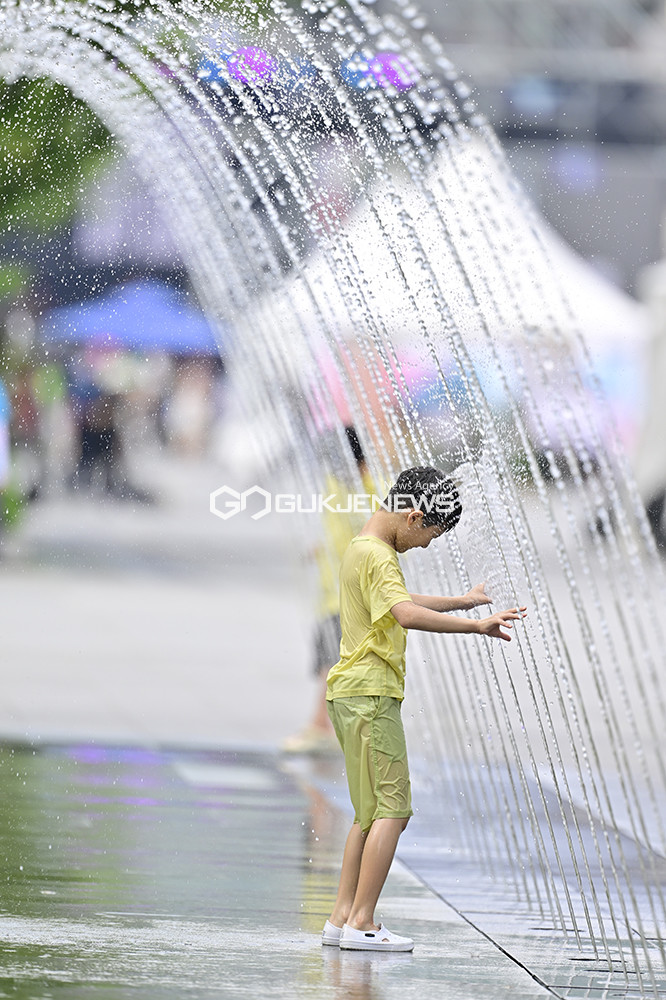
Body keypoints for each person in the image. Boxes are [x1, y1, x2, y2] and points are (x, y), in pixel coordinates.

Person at [322, 466, 527, 952]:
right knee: (394, 810)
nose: (427, 545)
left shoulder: (362, 548)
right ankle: (363, 922)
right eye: (429, 535)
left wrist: (462, 601)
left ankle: (341, 918)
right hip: (372, 697)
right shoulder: (382, 556)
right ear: (413, 516)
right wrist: (476, 626)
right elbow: (404, 612)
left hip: (351, 696)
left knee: (367, 814)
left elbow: (400, 598)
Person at [283, 425, 373, 754]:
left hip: (351, 596)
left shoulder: (373, 489)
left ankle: (321, 727)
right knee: (330, 665)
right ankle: (335, 729)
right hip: (330, 594)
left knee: (335, 667)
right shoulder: (338, 485)